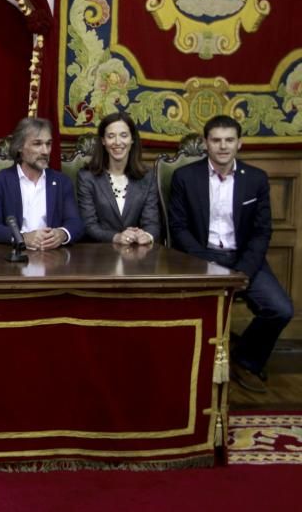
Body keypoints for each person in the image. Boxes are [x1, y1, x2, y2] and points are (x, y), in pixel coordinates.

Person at [169, 115, 293, 393]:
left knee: (281, 309)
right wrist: (207, 264)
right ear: (205, 143)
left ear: (239, 143)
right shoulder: (185, 178)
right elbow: (178, 228)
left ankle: (245, 359)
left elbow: (262, 232)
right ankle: (187, 370)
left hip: (244, 259)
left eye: (229, 140)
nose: (223, 146)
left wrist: (244, 272)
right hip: (200, 257)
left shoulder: (257, 180)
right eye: (216, 140)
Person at [0, 117, 84, 249]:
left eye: (48, 144)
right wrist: (23, 237)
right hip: (13, 258)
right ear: (19, 147)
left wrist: (62, 234)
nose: (45, 151)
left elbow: (75, 223)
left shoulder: (61, 182)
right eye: (37, 144)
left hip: (53, 259)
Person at [76, 112, 160, 244]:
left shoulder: (147, 177)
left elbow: (152, 223)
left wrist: (146, 236)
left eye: (124, 135)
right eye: (111, 136)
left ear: (132, 139)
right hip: (99, 254)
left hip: (136, 255)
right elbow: (88, 226)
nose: (117, 142)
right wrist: (116, 237)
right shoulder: (87, 177)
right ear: (103, 141)